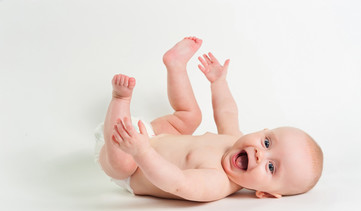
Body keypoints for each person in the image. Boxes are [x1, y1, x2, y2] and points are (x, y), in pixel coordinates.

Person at [95, 36, 323, 202]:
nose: (259, 154)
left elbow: (177, 182)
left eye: (271, 167)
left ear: (264, 193)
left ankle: (120, 99)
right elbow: (227, 112)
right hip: (151, 135)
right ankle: (175, 65)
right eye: (266, 142)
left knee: (121, 165)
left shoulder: (217, 183)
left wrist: (142, 152)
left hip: (132, 163)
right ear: (263, 131)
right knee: (190, 117)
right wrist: (218, 82)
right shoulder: (235, 139)